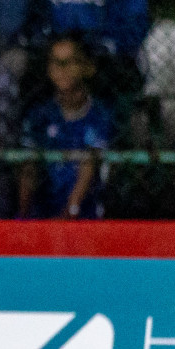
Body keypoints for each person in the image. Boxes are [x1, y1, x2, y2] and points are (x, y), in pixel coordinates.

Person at [17, 33, 114, 219]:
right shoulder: (39, 114)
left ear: (88, 67)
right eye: (55, 62)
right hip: (42, 212)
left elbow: (89, 166)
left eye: (70, 62)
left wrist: (69, 213)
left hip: (84, 215)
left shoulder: (100, 115)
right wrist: (24, 214)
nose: (62, 69)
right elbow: (28, 167)